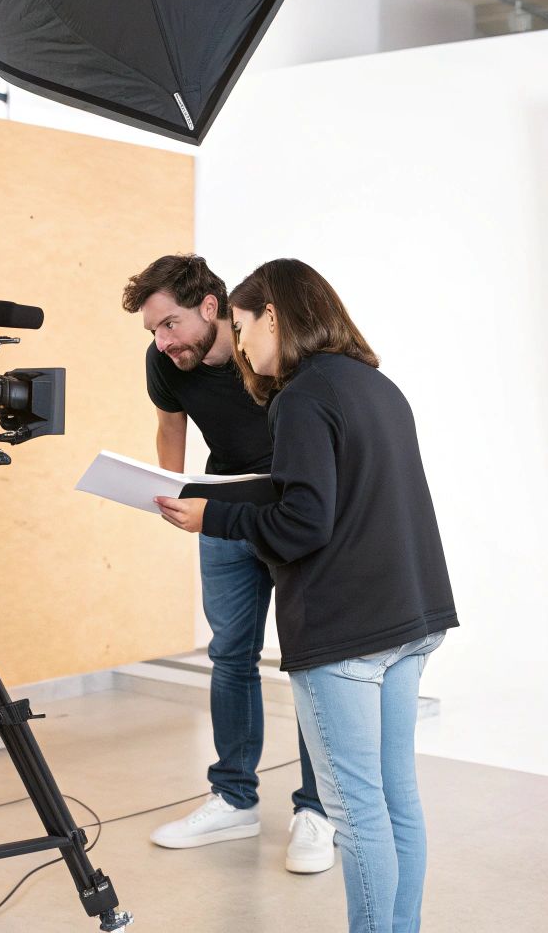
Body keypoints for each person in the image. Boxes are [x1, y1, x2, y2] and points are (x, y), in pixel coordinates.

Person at [156, 259, 459, 933]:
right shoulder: (373, 385)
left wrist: (214, 517)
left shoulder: (299, 396)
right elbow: (328, 496)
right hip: (409, 620)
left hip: (346, 633)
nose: (241, 348)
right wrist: (221, 498)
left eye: (242, 327)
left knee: (355, 813)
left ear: (273, 316)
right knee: (396, 801)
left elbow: (302, 525)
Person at [121, 254, 336, 874]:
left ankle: (317, 811)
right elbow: (170, 424)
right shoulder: (165, 361)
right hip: (218, 517)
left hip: (286, 515)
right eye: (153, 332)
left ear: (211, 309)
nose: (163, 343)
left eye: (170, 325)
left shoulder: (266, 349)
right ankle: (234, 798)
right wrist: (170, 488)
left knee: (308, 659)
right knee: (229, 654)